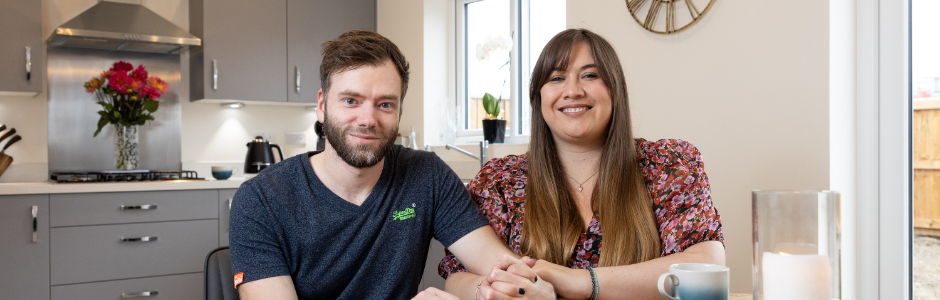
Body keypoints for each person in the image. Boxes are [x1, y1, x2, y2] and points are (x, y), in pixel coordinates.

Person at [229, 30, 553, 300]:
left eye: (385, 104)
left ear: (399, 111)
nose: (368, 119)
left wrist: (519, 288)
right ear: (321, 105)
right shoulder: (261, 200)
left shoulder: (426, 175)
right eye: (350, 100)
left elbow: (501, 266)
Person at [439, 28, 725, 299]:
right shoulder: (499, 180)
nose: (572, 91)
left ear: (615, 89)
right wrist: (495, 291)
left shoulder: (670, 164)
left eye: (589, 75)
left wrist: (580, 281)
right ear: (538, 97)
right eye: (556, 78)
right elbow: (457, 277)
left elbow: (706, 263)